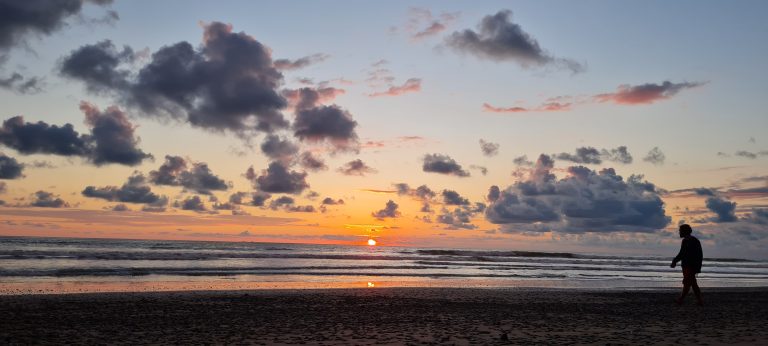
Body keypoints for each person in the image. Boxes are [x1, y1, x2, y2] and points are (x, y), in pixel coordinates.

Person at [670, 224, 703, 305]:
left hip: (691, 266)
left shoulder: (693, 241)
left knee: (689, 283)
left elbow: (698, 255)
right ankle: (696, 300)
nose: (679, 232)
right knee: (689, 283)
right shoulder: (685, 241)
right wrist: (675, 261)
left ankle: (682, 299)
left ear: (684, 231)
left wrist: (697, 267)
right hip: (686, 265)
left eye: (680, 231)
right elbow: (682, 253)